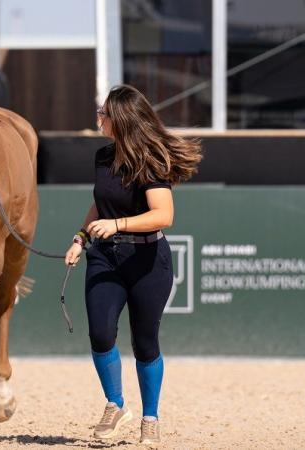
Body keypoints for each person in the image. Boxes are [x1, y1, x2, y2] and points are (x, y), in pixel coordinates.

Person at [64, 85, 202, 444]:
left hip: (147, 261)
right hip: (105, 257)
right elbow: (101, 203)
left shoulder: (151, 161)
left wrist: (117, 224)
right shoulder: (102, 157)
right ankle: (115, 404)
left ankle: (150, 417)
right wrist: (81, 237)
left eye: (103, 113)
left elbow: (163, 215)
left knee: (145, 343)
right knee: (100, 333)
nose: (98, 118)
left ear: (120, 120)